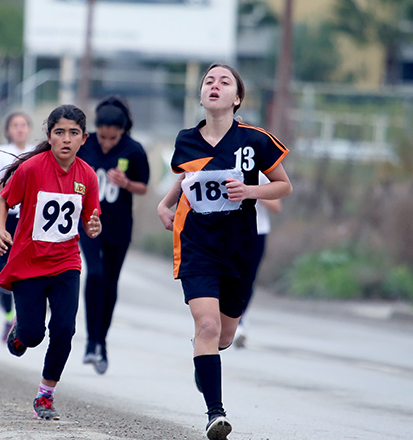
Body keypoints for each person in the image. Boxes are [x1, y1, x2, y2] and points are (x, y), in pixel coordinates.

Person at [156, 63, 292, 440]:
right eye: (208, 82)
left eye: (224, 82)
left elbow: (284, 187)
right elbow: (187, 178)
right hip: (196, 243)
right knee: (206, 325)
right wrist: (164, 205)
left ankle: (206, 359)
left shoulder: (255, 140)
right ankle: (215, 414)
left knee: (224, 336)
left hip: (239, 247)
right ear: (201, 95)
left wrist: (250, 191)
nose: (214, 86)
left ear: (237, 98)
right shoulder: (186, 140)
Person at [0, 105, 102, 421]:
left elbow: (91, 219)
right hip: (29, 263)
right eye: (59, 132)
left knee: (64, 329)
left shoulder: (87, 176)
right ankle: (19, 333)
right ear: (49, 136)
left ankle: (45, 395)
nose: (66, 139)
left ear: (83, 138)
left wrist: (94, 227)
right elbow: (3, 200)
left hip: (66, 264)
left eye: (73, 133)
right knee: (32, 335)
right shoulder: (31, 169)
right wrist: (1, 229)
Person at [76, 95, 150, 375]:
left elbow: (143, 186)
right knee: (93, 273)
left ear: (123, 131)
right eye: (103, 137)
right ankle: (90, 341)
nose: (106, 143)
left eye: (113, 138)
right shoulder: (86, 143)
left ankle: (100, 343)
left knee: (110, 282)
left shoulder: (134, 150)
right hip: (89, 222)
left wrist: (126, 183)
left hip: (119, 226)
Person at [0, 112, 35, 340]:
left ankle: (22, 318)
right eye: (15, 125)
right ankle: (7, 316)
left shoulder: (37, 153)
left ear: (29, 129)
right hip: (6, 217)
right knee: (5, 267)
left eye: (23, 125)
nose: (20, 129)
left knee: (28, 270)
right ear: (8, 130)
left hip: (29, 220)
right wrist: (13, 174)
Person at [233, 172, 282, 348]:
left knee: (248, 279)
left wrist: (250, 191)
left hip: (257, 230)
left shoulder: (262, 170)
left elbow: (276, 206)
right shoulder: (226, 159)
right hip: (230, 230)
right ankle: (228, 319)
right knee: (228, 277)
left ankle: (239, 321)